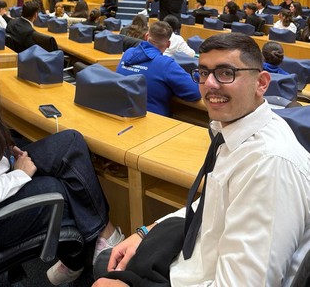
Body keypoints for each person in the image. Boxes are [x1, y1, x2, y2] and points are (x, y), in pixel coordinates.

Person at [94, 33, 310, 287]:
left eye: (226, 73)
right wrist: (147, 230)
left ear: (261, 83)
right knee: (106, 262)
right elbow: (211, 203)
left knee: (103, 273)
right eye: (204, 73)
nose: (210, 84)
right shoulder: (233, 130)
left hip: (202, 278)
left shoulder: (270, 166)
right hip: (191, 261)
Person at [0, 19, 124, 285]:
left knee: (70, 143)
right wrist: (21, 175)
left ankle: (103, 234)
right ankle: (83, 254)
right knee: (61, 188)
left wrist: (1, 146)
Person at [116, 21, 200, 117]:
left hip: (122, 114)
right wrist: (197, 75)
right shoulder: (166, 64)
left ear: (146, 36)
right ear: (168, 44)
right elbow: (194, 93)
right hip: (151, 120)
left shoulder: (128, 53)